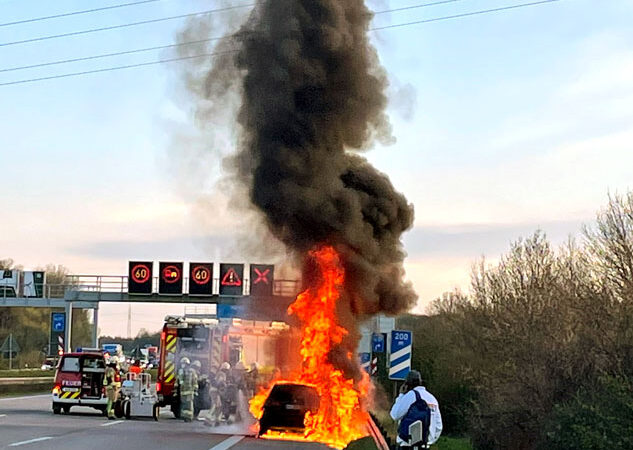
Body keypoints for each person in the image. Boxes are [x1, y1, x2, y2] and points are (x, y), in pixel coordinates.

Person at [390, 370, 443, 448]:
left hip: (408, 445)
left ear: (407, 385)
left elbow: (395, 414)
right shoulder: (432, 399)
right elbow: (439, 427)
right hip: (425, 446)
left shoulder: (411, 395)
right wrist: (430, 441)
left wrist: (401, 395)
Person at [176, 357, 198, 422]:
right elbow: (178, 381)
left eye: (184, 363)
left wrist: (195, 390)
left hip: (189, 391)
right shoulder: (180, 371)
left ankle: (189, 417)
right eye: (182, 363)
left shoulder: (192, 371)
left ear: (187, 364)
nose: (183, 365)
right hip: (182, 392)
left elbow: (194, 381)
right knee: (184, 405)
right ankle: (185, 416)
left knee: (189, 405)